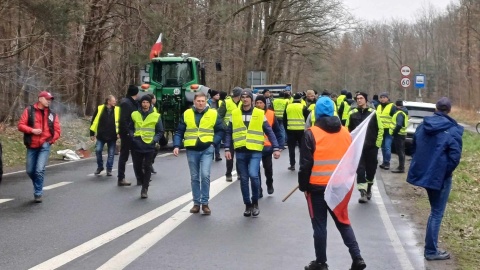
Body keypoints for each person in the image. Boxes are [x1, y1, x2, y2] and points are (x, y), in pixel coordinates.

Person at [298, 96, 366, 270]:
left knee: (320, 225)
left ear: (317, 113)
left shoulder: (311, 133)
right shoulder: (345, 132)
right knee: (343, 221)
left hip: (317, 187)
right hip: (339, 187)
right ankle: (357, 257)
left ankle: (321, 263)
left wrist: (303, 185)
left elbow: (306, 164)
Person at [407, 97, 463, 261]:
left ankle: (431, 248)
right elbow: (455, 157)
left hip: (426, 174)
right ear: (449, 110)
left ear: (435, 109)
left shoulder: (423, 125)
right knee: (437, 212)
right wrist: (444, 173)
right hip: (440, 177)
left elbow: (415, 146)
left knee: (434, 212)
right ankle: (431, 250)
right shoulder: (453, 129)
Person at [224, 89, 281, 217]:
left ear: (252, 100)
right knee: (244, 179)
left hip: (255, 150)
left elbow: (269, 131)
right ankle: (247, 205)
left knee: (253, 175)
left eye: (247, 97)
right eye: (243, 97)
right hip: (240, 151)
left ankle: (255, 202)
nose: (245, 99)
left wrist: (276, 148)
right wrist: (227, 148)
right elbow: (228, 132)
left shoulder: (259, 114)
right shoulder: (234, 113)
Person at [173, 92, 225, 214]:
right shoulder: (187, 113)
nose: (200, 103)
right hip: (192, 150)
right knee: (195, 177)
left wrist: (213, 143)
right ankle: (196, 203)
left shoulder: (213, 113)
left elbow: (220, 130)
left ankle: (205, 203)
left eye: (203, 101)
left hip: (207, 148)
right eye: (198, 101)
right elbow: (180, 131)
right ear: (194, 102)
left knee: (205, 175)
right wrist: (176, 145)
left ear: (206, 101)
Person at [18, 91, 61, 203]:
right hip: (31, 144)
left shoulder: (52, 114)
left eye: (50, 99)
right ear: (40, 99)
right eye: (47, 99)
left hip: (45, 145)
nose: (49, 101)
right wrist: (32, 130)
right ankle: (38, 184)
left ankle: (38, 193)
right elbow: (21, 125)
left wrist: (51, 140)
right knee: (30, 170)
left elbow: (57, 131)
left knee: (39, 170)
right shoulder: (29, 110)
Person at [346, 92, 383, 203]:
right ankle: (362, 192)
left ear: (366, 100)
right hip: (358, 148)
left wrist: (377, 144)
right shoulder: (352, 113)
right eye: (357, 98)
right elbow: (347, 130)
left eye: (361, 98)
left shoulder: (374, 113)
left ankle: (369, 189)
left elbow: (380, 129)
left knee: (370, 170)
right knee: (360, 170)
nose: (359, 100)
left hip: (371, 147)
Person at [129, 94, 164, 198]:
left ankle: (145, 189)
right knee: (138, 167)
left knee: (147, 166)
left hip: (149, 145)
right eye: (143, 102)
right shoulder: (134, 114)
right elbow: (130, 128)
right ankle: (142, 179)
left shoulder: (156, 116)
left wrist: (154, 140)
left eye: (147, 102)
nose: (145, 104)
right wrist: (132, 137)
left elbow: (160, 131)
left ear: (150, 103)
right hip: (137, 144)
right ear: (141, 103)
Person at [254, 95, 284, 197]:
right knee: (255, 171)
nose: (258, 105)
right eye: (257, 103)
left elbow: (277, 131)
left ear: (264, 104)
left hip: (267, 147)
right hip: (254, 147)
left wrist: (279, 146)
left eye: (260, 103)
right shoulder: (252, 114)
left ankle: (269, 183)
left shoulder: (271, 114)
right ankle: (258, 189)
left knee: (268, 169)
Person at [90, 95, 119, 176]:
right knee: (98, 150)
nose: (115, 102)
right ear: (108, 101)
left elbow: (120, 122)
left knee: (111, 153)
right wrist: (92, 133)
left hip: (112, 135)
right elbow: (94, 121)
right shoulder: (100, 108)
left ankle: (109, 169)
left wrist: (119, 132)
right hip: (101, 135)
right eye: (113, 101)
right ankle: (100, 167)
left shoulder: (117, 110)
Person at [117, 85, 139, 186]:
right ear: (136, 93)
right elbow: (124, 120)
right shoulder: (126, 103)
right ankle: (121, 178)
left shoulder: (131, 102)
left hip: (132, 132)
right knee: (124, 155)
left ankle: (139, 178)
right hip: (127, 133)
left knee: (136, 156)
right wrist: (127, 132)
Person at [223, 87, 243, 181]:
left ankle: (239, 173)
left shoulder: (243, 103)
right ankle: (228, 173)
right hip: (229, 132)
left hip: (240, 132)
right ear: (238, 95)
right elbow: (219, 117)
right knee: (230, 154)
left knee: (240, 154)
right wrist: (225, 127)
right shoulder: (226, 103)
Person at [284, 93, 306, 171]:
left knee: (291, 149)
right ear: (300, 99)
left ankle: (292, 164)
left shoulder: (288, 107)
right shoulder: (303, 107)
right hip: (301, 131)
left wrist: (286, 129)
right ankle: (302, 164)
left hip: (290, 130)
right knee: (302, 148)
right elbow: (307, 119)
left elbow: (284, 119)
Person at [377, 92, 397, 170]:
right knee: (382, 147)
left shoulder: (392, 106)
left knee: (387, 146)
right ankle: (384, 162)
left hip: (388, 130)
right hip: (381, 130)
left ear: (387, 98)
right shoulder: (378, 106)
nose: (382, 99)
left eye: (384, 97)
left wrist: (392, 128)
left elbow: (394, 118)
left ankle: (387, 163)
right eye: (381, 97)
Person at [390, 100, 408, 173]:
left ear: (396, 105)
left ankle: (401, 168)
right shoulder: (404, 112)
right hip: (402, 134)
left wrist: (394, 133)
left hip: (399, 135)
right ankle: (401, 167)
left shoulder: (399, 113)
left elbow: (399, 124)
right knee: (401, 151)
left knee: (400, 151)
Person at [207, 89, 226, 161]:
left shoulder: (221, 102)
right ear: (213, 96)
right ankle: (211, 155)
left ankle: (217, 155)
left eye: (219, 95)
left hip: (218, 122)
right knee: (210, 139)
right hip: (210, 122)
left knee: (217, 139)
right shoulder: (207, 102)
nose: (218, 96)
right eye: (217, 95)